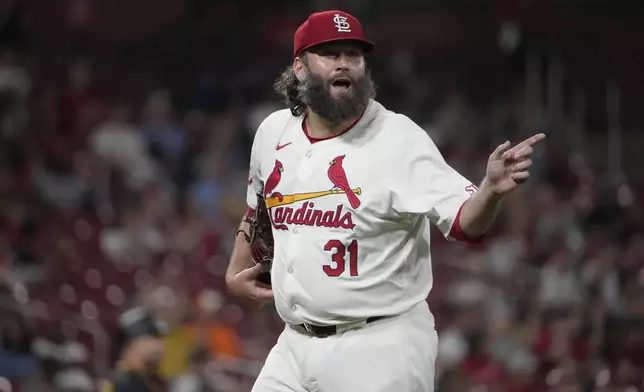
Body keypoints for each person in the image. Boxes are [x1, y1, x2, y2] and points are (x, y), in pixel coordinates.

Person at [225, 9, 545, 392]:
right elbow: (258, 207)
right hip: (294, 345)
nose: (344, 63)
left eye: (354, 55)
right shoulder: (273, 132)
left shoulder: (398, 139)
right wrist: (237, 268)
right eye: (330, 54)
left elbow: (464, 224)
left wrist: (490, 191)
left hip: (380, 345)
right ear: (299, 67)